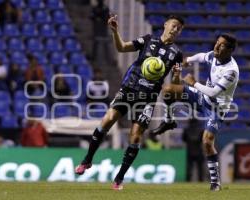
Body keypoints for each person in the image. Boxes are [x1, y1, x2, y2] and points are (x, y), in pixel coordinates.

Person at [74, 14, 184, 190]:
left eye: (179, 28)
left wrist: (177, 77)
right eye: (174, 25)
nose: (175, 29)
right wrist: (115, 31)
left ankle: (119, 178)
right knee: (107, 120)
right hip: (129, 89)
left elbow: (176, 87)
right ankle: (87, 160)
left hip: (147, 97)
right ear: (165, 25)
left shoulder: (176, 54)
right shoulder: (148, 40)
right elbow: (122, 47)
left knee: (136, 136)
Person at [149, 33, 239, 191]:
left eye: (222, 45)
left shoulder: (231, 71)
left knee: (207, 141)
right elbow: (202, 56)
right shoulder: (213, 55)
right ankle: (169, 120)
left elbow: (213, 93)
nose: (216, 46)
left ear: (230, 50)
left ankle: (215, 182)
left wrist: (193, 82)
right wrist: (187, 61)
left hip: (216, 109)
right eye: (217, 42)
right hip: (201, 98)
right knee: (168, 90)